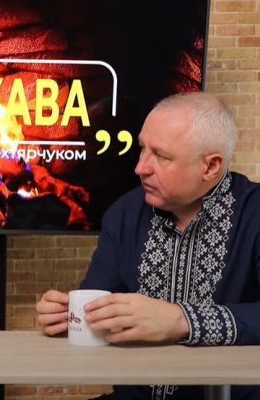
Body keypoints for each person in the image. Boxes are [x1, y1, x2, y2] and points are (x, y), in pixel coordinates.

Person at [36, 91, 260, 400]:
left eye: (162, 156)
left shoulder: (255, 213)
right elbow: (97, 304)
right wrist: (68, 319)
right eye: (142, 148)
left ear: (210, 166)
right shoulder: (124, 213)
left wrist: (181, 320)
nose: (140, 167)